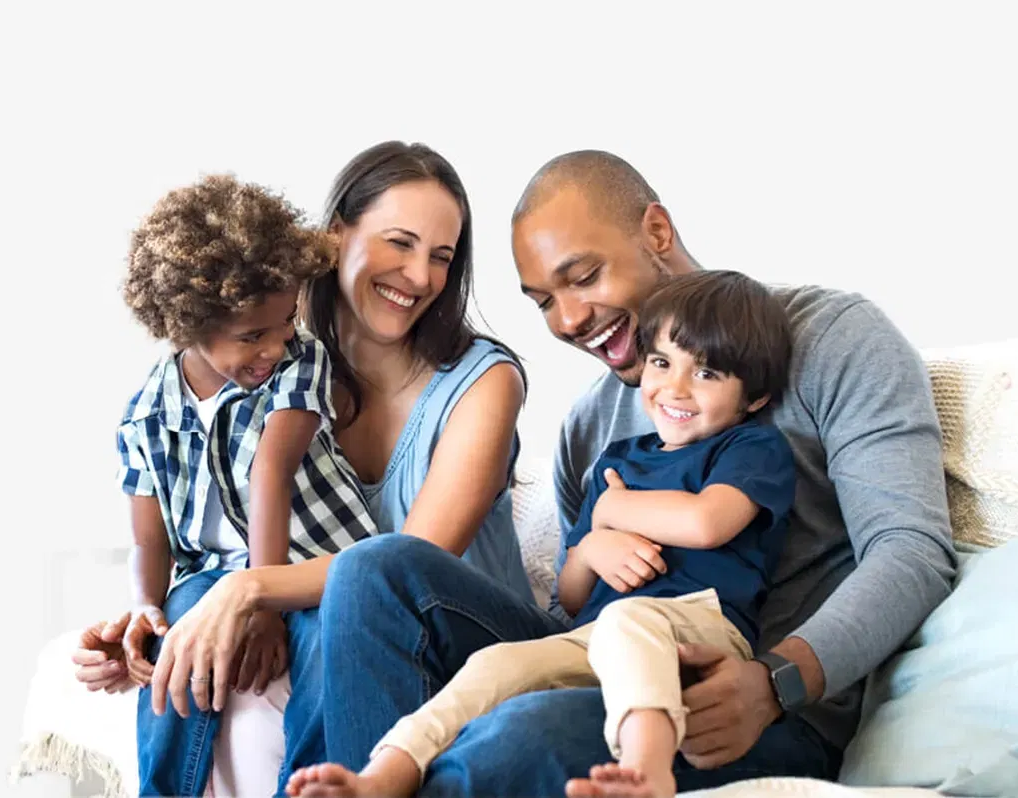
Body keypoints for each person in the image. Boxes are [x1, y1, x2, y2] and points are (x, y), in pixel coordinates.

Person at [313, 149, 957, 796]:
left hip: (748, 701)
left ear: (655, 232)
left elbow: (911, 551)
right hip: (610, 657)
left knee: (516, 737)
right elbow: (577, 603)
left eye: (584, 276)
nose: (567, 321)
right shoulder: (591, 425)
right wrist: (593, 547)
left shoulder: (833, 339)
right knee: (374, 571)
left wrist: (777, 681)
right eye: (543, 302)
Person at [72, 141, 533, 797]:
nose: (421, 276)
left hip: (461, 635)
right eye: (399, 243)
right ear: (336, 235)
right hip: (341, 618)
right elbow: (203, 518)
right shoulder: (272, 361)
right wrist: (152, 619)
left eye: (441, 256)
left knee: (350, 589)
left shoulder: (483, 382)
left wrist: (251, 588)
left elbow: (410, 564)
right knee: (198, 605)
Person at [288, 270, 797, 798]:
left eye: (707, 374)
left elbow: (706, 522)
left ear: (754, 397)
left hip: (701, 631)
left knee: (630, 618)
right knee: (496, 664)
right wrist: (594, 544)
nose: (675, 388)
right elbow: (573, 597)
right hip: (595, 638)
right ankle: (383, 776)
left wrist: (614, 509)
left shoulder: (750, 448)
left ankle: (648, 771)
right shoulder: (618, 460)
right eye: (663, 362)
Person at [84, 173, 382, 796]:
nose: (274, 346)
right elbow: (150, 540)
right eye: (252, 335)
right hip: (211, 575)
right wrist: (146, 606)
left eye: (283, 324)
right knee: (176, 650)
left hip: (314, 567)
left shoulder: (301, 360)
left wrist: (265, 601)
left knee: (334, 649)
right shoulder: (145, 415)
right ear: (187, 324)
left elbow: (269, 471)